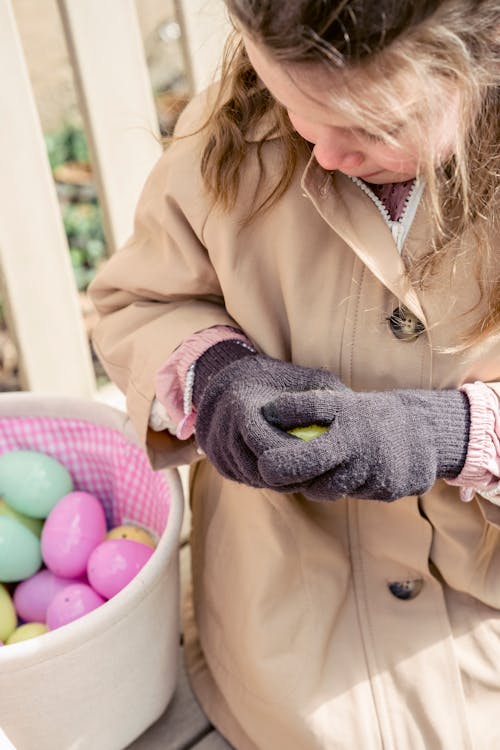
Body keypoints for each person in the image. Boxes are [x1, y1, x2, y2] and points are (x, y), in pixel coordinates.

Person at [89, 1, 500, 747]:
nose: (326, 154)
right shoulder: (232, 134)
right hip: (280, 637)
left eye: (372, 129)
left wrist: (451, 433)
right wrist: (215, 376)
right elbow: (139, 302)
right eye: (294, 104)